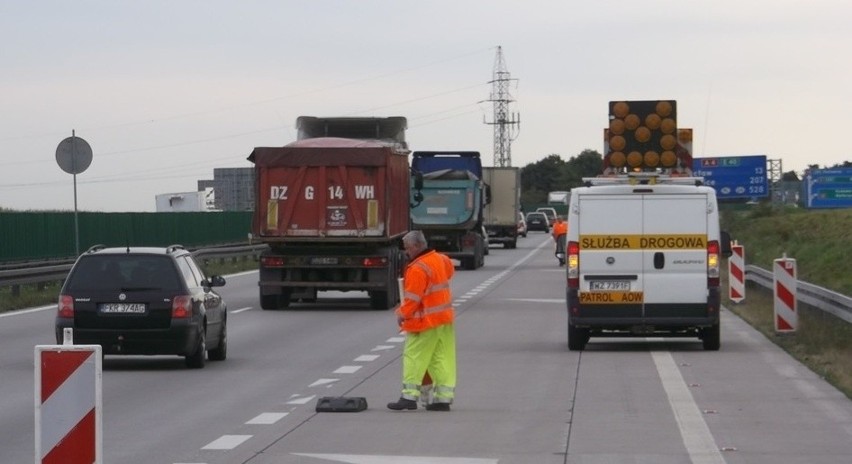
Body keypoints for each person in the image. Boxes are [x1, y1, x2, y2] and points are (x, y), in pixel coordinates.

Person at [387, 230, 457, 411]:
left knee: (413, 357)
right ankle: (443, 399)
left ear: (417, 246)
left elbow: (412, 299)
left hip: (424, 322)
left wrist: (402, 314)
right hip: (443, 319)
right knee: (441, 359)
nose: (406, 252)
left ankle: (409, 398)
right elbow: (449, 273)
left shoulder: (417, 268)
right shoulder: (441, 259)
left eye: (408, 248)